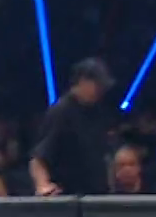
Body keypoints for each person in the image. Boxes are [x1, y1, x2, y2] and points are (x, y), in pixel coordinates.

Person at [30, 58, 115, 196]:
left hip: (96, 196)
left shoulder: (97, 112)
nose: (101, 91)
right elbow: (39, 157)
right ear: (83, 81)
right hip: (70, 197)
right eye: (98, 85)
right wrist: (43, 185)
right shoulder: (62, 112)